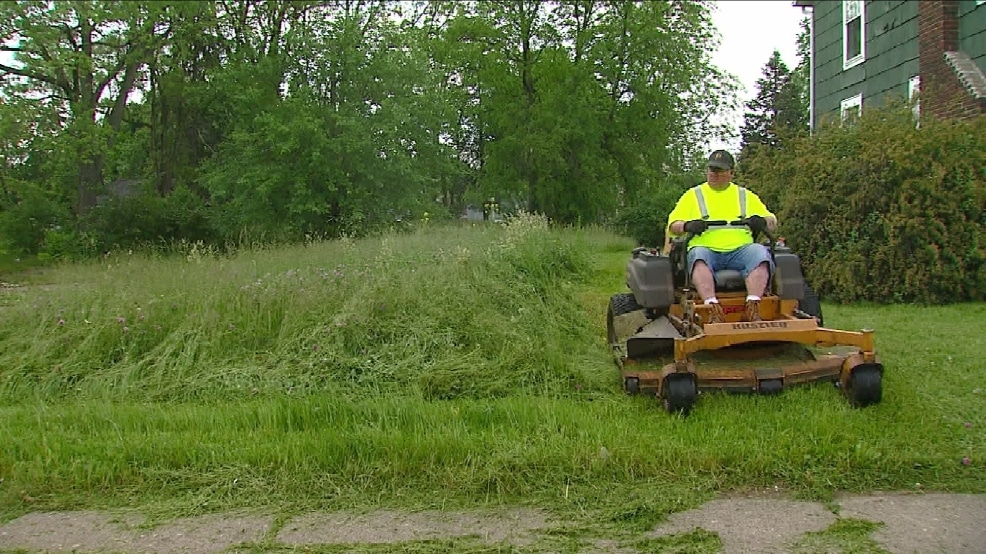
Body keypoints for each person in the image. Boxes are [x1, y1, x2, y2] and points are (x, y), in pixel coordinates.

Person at [666, 149, 777, 323]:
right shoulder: (693, 195)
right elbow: (673, 225)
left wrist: (761, 221)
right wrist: (687, 225)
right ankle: (712, 309)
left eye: (719, 171)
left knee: (760, 253)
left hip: (740, 250)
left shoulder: (744, 196)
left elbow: (772, 222)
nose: (714, 174)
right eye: (711, 170)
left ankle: (753, 307)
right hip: (707, 250)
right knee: (698, 256)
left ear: (731, 173)